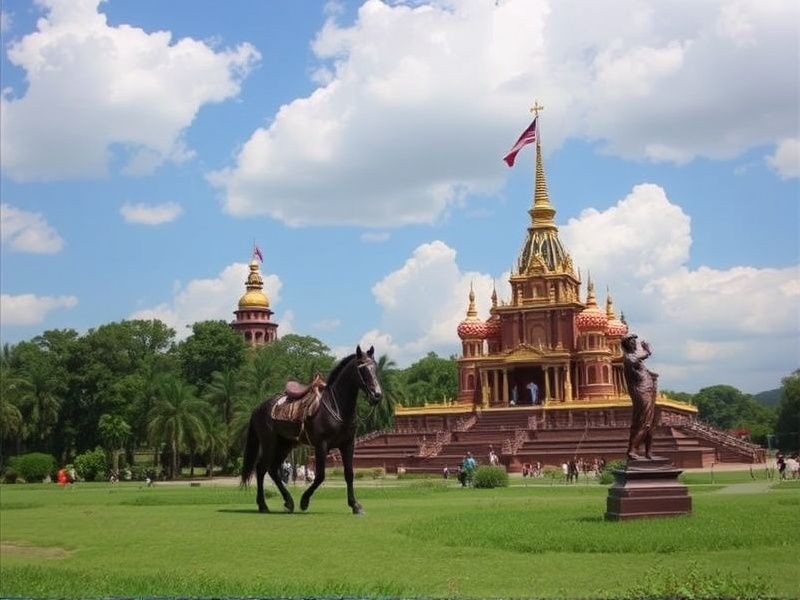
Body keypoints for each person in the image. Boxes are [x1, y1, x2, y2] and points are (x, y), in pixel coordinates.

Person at [622, 333, 658, 460]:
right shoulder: (629, 357)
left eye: (634, 341)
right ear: (627, 344)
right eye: (632, 341)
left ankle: (648, 452)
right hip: (642, 392)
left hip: (648, 391)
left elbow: (643, 369)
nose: (635, 344)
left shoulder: (636, 359)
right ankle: (632, 450)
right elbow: (640, 357)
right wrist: (647, 350)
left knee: (650, 423)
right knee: (645, 423)